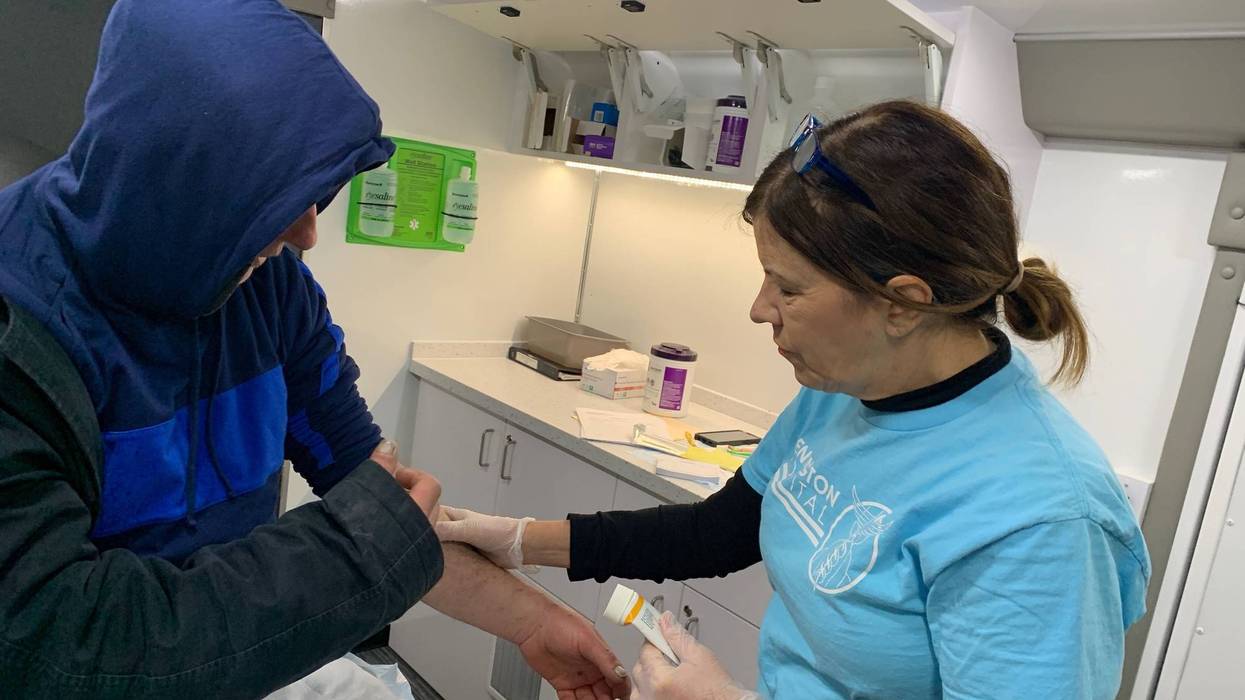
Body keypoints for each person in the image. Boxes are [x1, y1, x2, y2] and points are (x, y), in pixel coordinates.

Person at [0, 1, 626, 698]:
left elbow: (381, 503)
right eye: (275, 200)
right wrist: (354, 550)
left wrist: (531, 621)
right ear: (179, 179)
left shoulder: (267, 288)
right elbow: (57, 642)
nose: (306, 235)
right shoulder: (22, 331)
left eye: (316, 197)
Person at [436, 102, 1152, 699]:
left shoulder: (1039, 522)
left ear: (901, 303)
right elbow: (714, 534)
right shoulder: (846, 391)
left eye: (788, 287)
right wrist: (519, 537)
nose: (759, 309)